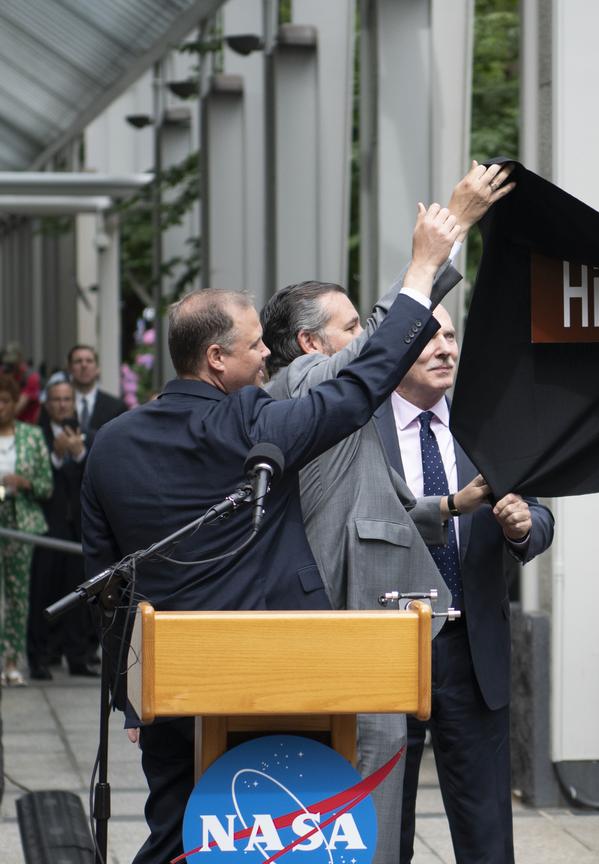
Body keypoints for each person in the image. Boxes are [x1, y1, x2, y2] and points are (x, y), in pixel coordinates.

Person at [81, 201, 464, 864]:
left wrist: (132, 697)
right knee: (276, 840)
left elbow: (107, 582)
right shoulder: (256, 425)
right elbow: (365, 381)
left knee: (178, 838)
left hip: (170, 687)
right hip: (276, 688)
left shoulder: (110, 445)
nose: (268, 357)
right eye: (256, 345)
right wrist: (424, 267)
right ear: (214, 356)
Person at [258, 160, 511, 864]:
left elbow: (387, 509)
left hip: (384, 635)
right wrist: (440, 243)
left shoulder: (340, 405)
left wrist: (459, 506)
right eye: (349, 327)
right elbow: (388, 337)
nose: (368, 337)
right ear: (312, 346)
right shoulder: (305, 388)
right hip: (346, 632)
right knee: (366, 821)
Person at [385, 303, 554, 864]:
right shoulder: (363, 433)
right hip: (387, 650)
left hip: (471, 650)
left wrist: (524, 526)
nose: (445, 348)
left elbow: (540, 513)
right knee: (385, 828)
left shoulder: (488, 427)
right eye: (429, 338)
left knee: (486, 836)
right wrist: (454, 507)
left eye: (451, 336)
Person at [28, 380, 97, 680]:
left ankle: (78, 657)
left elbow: (93, 478)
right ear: (47, 405)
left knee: (78, 595)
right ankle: (40, 657)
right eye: (56, 400)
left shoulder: (88, 437)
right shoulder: (37, 437)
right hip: (48, 528)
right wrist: (56, 456)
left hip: (78, 530)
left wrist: (79, 453)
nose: (62, 405)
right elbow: (41, 484)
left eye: (67, 400)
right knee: (42, 593)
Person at [0, 375, 52, 686]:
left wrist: (25, 483)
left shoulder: (31, 436)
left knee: (19, 596)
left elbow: (47, 485)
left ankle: (11, 661)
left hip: (22, 522)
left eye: (5, 400)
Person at [65, 344, 128, 436]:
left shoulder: (116, 407)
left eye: (89, 361)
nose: (84, 365)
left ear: (97, 368)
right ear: (69, 368)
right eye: (78, 361)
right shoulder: (57, 404)